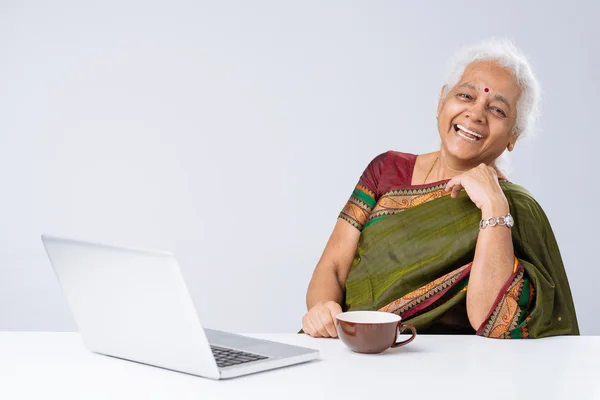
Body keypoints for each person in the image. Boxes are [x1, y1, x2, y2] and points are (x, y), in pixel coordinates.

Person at [302, 38, 579, 339]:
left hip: (444, 368)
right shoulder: (385, 170)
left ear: (514, 136)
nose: (476, 113)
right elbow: (332, 267)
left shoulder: (515, 207)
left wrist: (494, 208)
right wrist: (324, 310)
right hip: (353, 349)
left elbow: (494, 320)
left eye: (497, 110)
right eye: (465, 95)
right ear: (441, 103)